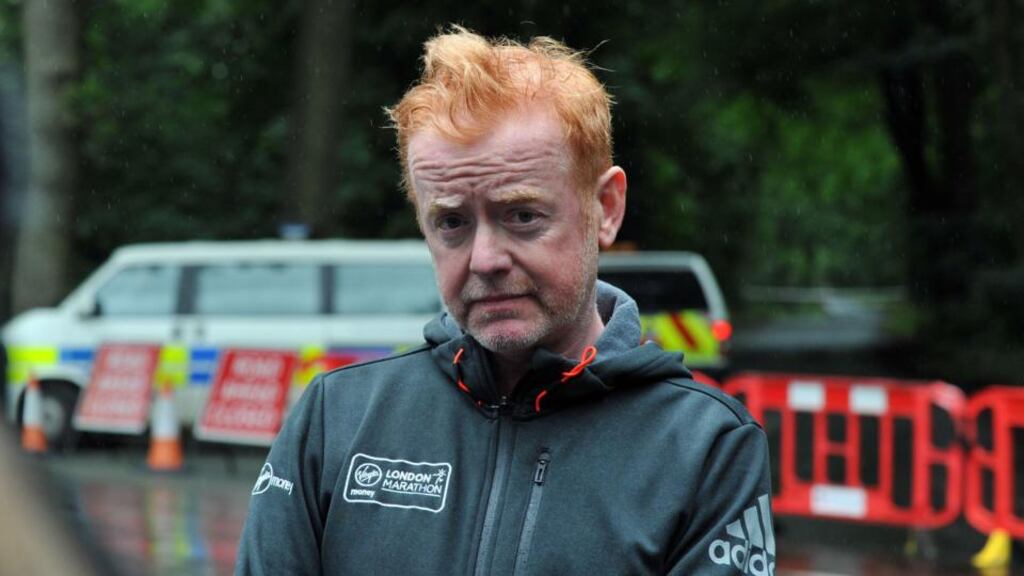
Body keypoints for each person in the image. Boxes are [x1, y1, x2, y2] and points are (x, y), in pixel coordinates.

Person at [236, 26, 775, 575]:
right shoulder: (337, 418)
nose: (485, 259)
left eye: (522, 216)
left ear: (606, 209)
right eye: (451, 222)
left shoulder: (705, 447)